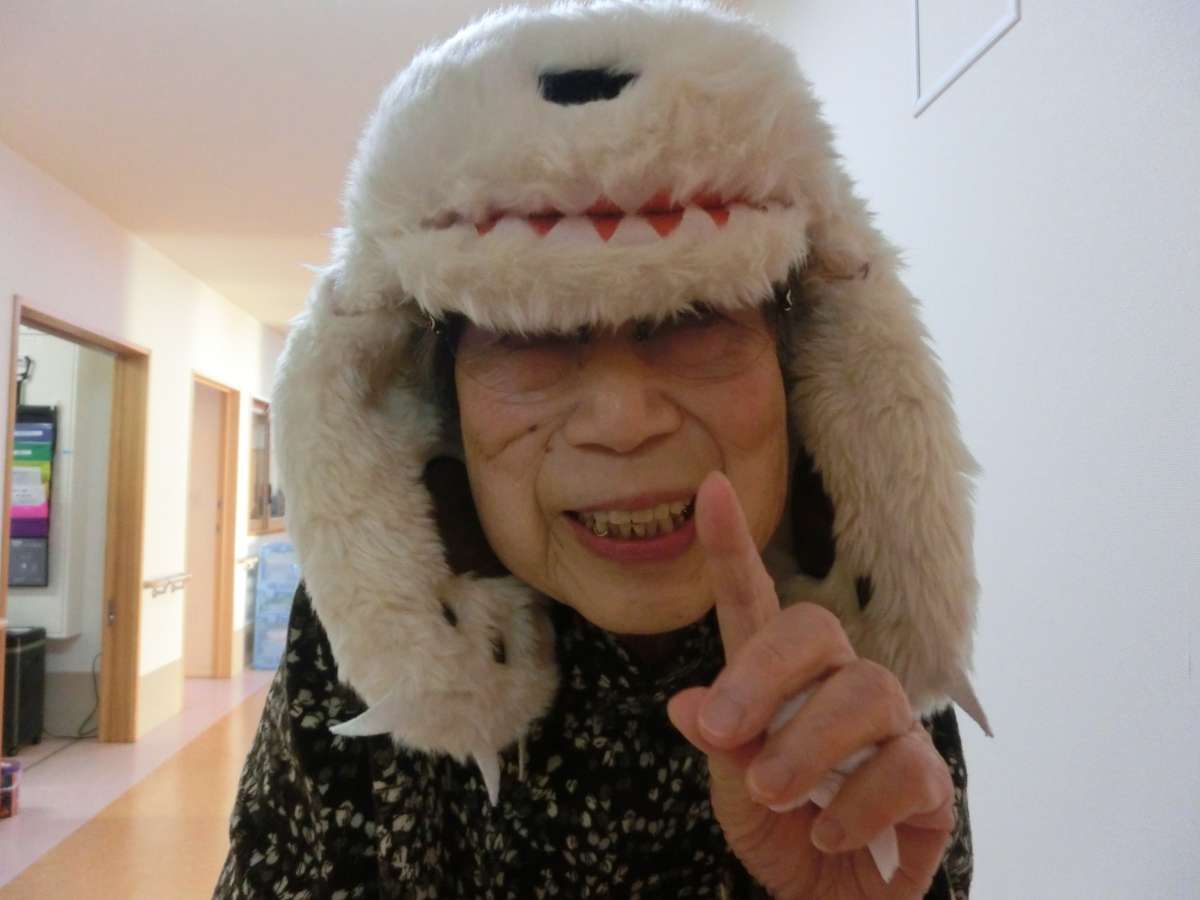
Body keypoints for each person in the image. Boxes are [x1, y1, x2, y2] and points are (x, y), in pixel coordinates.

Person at [216, 2, 988, 897]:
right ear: (445, 400)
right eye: (527, 335)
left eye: (697, 317)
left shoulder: (856, 665)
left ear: (804, 373)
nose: (623, 419)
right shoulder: (374, 639)